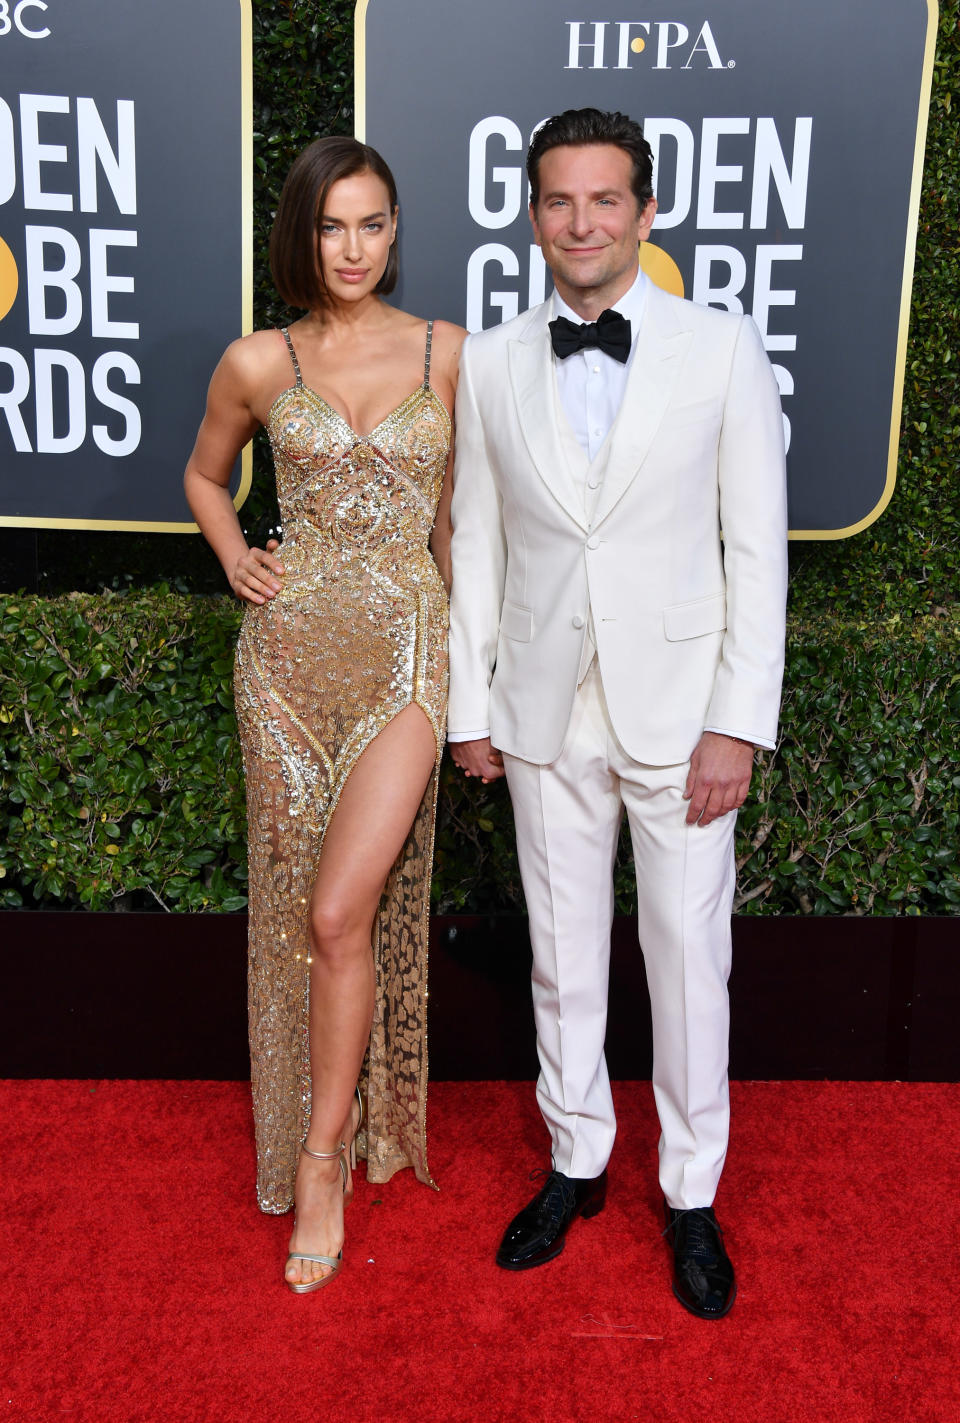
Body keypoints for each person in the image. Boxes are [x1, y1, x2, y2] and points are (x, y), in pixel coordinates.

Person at [448, 108, 787, 1319]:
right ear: (532, 215)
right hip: (542, 710)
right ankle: (575, 1159)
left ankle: (690, 1191)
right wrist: (466, 706)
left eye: (605, 200)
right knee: (560, 959)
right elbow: (477, 545)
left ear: (646, 214)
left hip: (683, 713)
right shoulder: (488, 360)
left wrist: (738, 722)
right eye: (557, 199)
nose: (580, 222)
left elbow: (758, 550)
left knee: (690, 960)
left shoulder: (722, 349)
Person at [185, 137, 463, 1293]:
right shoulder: (257, 360)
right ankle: (324, 1155)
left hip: (407, 650)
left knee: (343, 906)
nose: (355, 249)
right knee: (301, 911)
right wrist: (237, 551)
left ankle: (323, 1157)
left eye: (375, 223)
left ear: (398, 228)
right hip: (286, 664)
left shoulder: (450, 353)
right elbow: (204, 475)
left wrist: (476, 682)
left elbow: (459, 525)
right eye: (334, 226)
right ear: (301, 233)